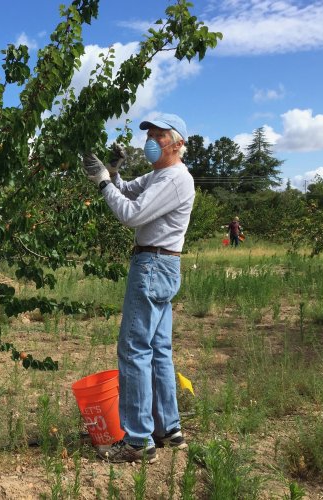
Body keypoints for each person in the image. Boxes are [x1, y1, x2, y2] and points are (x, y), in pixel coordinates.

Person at [82, 113, 193, 463]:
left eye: (160, 135)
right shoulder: (161, 175)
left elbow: (130, 213)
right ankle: (168, 429)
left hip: (152, 265)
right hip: (163, 265)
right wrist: (114, 171)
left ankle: (137, 441)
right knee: (158, 348)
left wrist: (101, 182)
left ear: (177, 144)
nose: (152, 140)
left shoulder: (174, 179)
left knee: (133, 349)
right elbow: (128, 188)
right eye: (150, 134)